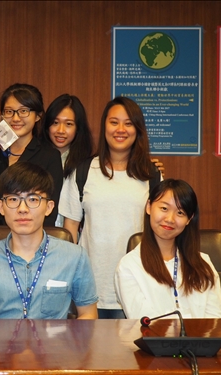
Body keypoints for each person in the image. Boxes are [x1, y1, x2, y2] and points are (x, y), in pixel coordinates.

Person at [59, 96, 161, 319]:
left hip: (137, 283)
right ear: (104, 125)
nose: (120, 129)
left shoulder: (152, 175)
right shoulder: (83, 171)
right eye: (114, 122)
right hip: (89, 285)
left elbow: (160, 230)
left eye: (128, 123)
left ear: (138, 129)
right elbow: (70, 231)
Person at [0, 162, 98, 319]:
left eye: (33, 199)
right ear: (1, 207)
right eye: (13, 199)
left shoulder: (75, 257)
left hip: (53, 343)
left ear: (49, 207)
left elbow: (88, 315)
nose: (22, 209)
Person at [115, 179, 221, 319]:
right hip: (155, 340)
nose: (170, 219)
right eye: (164, 209)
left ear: (189, 219)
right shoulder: (129, 266)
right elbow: (145, 321)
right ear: (149, 207)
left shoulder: (203, 263)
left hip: (201, 340)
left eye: (180, 213)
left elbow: (215, 319)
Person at [0, 83, 63, 226]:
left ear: (37, 116)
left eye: (23, 111)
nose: (16, 118)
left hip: (29, 238)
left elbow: (49, 210)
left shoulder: (49, 156)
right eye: (9, 112)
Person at [41, 94, 94, 226]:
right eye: (55, 122)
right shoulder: (35, 159)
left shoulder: (87, 166)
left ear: (78, 128)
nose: (61, 130)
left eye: (69, 124)